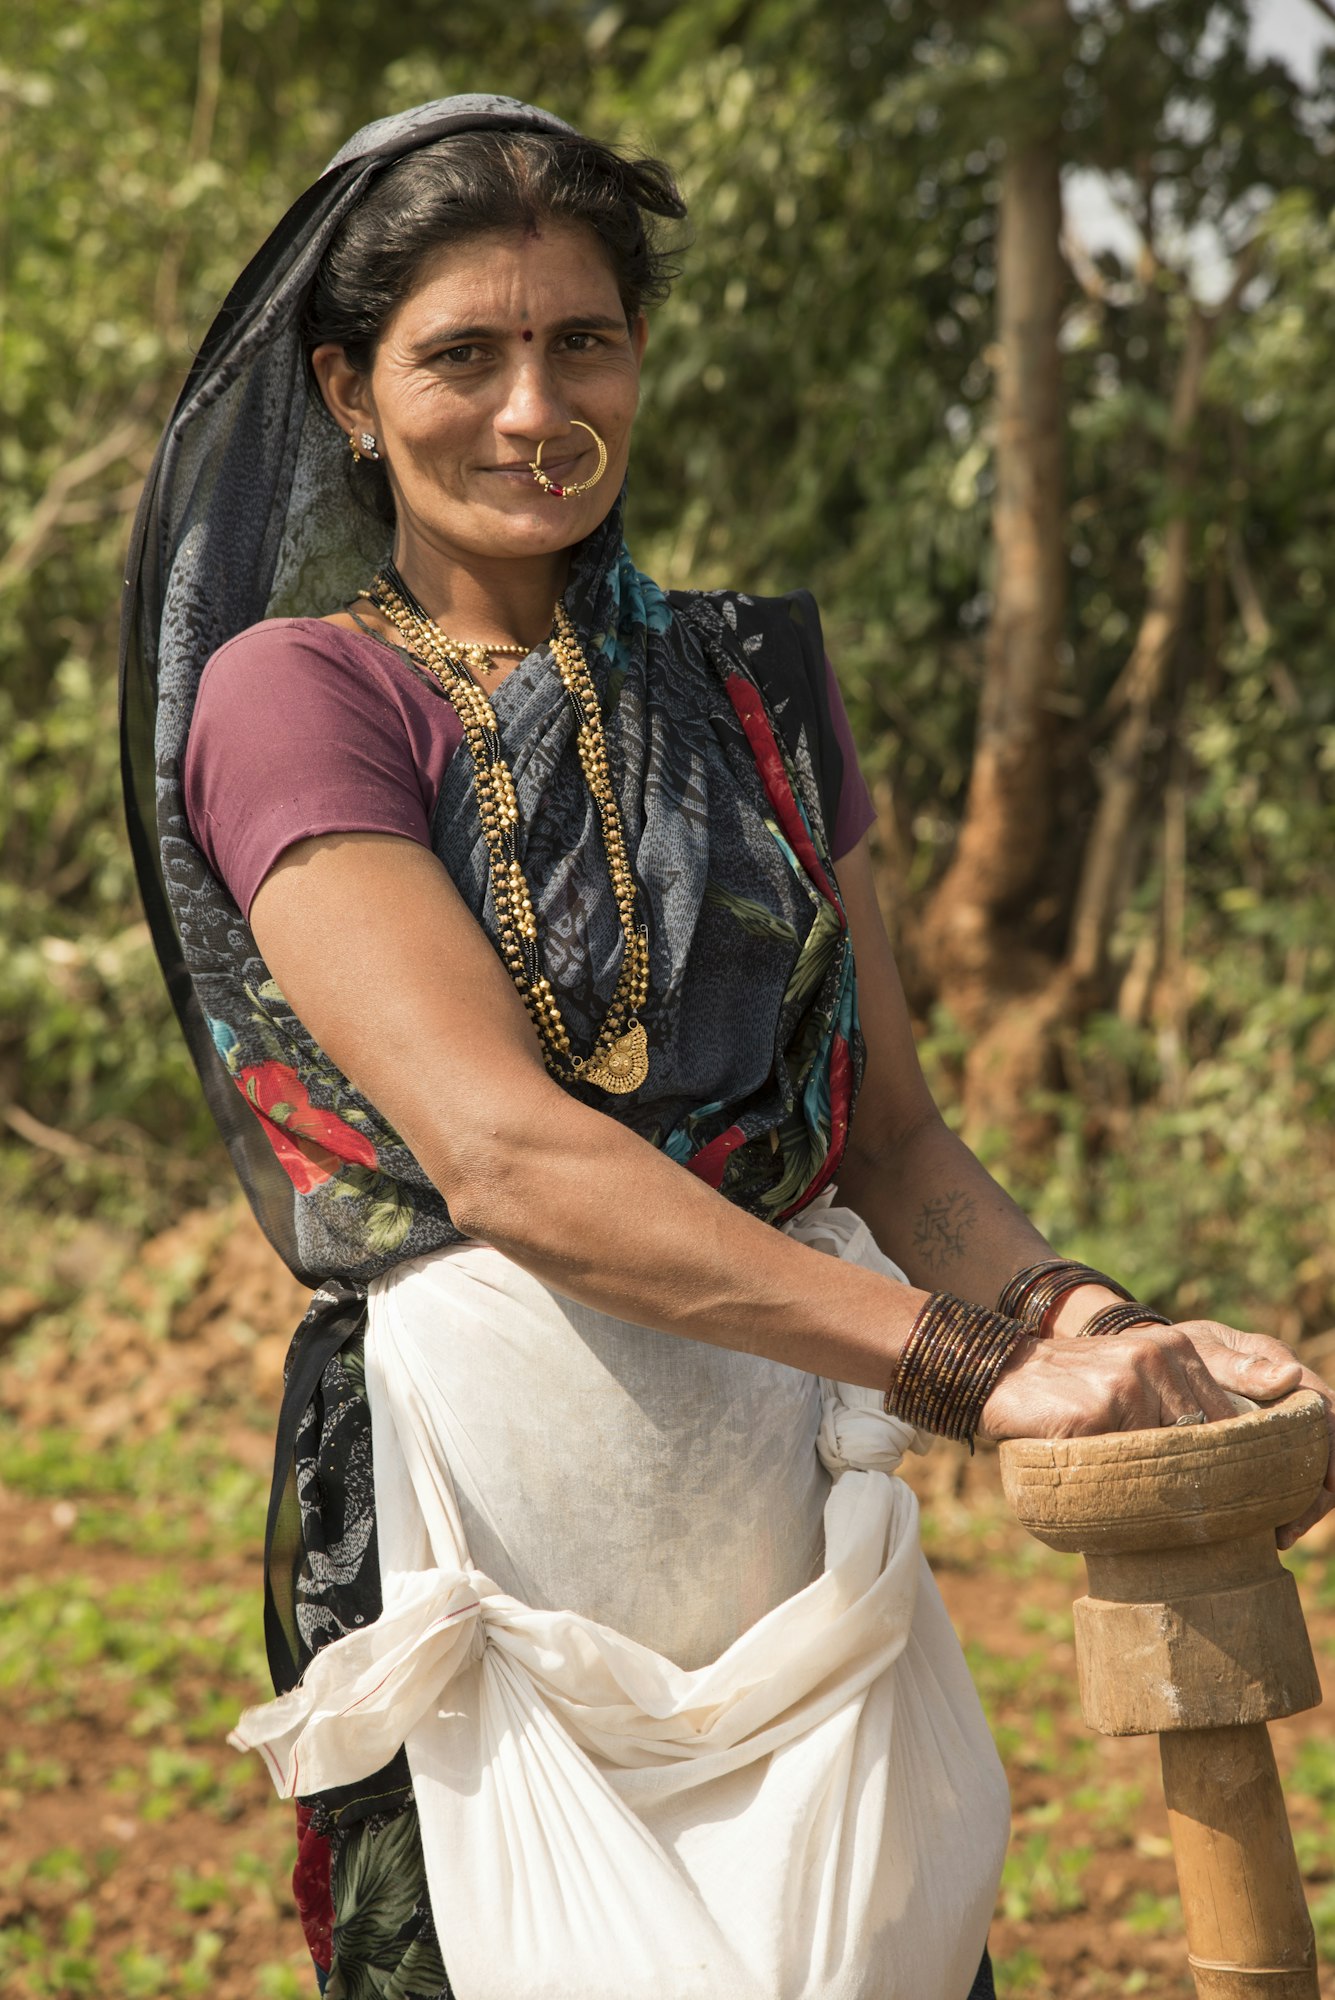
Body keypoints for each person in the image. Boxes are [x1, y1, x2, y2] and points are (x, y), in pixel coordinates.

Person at [120, 94, 1335, 2000]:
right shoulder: (301, 696)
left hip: (781, 1506)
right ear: (351, 394)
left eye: (581, 340)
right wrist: (963, 1370)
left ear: (639, 356)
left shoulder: (756, 686)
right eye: (464, 356)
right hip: (487, 1512)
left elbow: (897, 1147)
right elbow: (506, 1158)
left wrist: (1091, 1331)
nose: (534, 409)